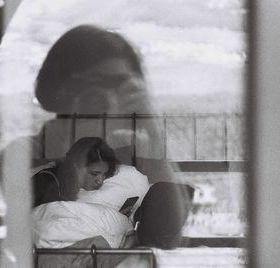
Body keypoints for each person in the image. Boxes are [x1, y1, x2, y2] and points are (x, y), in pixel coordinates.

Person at [32, 24, 178, 184]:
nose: (102, 94)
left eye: (118, 83)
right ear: (61, 86)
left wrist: (152, 128)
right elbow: (60, 202)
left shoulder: (136, 148)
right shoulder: (24, 153)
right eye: (93, 82)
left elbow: (173, 209)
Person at [32, 136, 119, 207]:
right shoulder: (46, 182)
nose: (100, 181)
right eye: (94, 174)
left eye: (104, 175)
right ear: (75, 165)